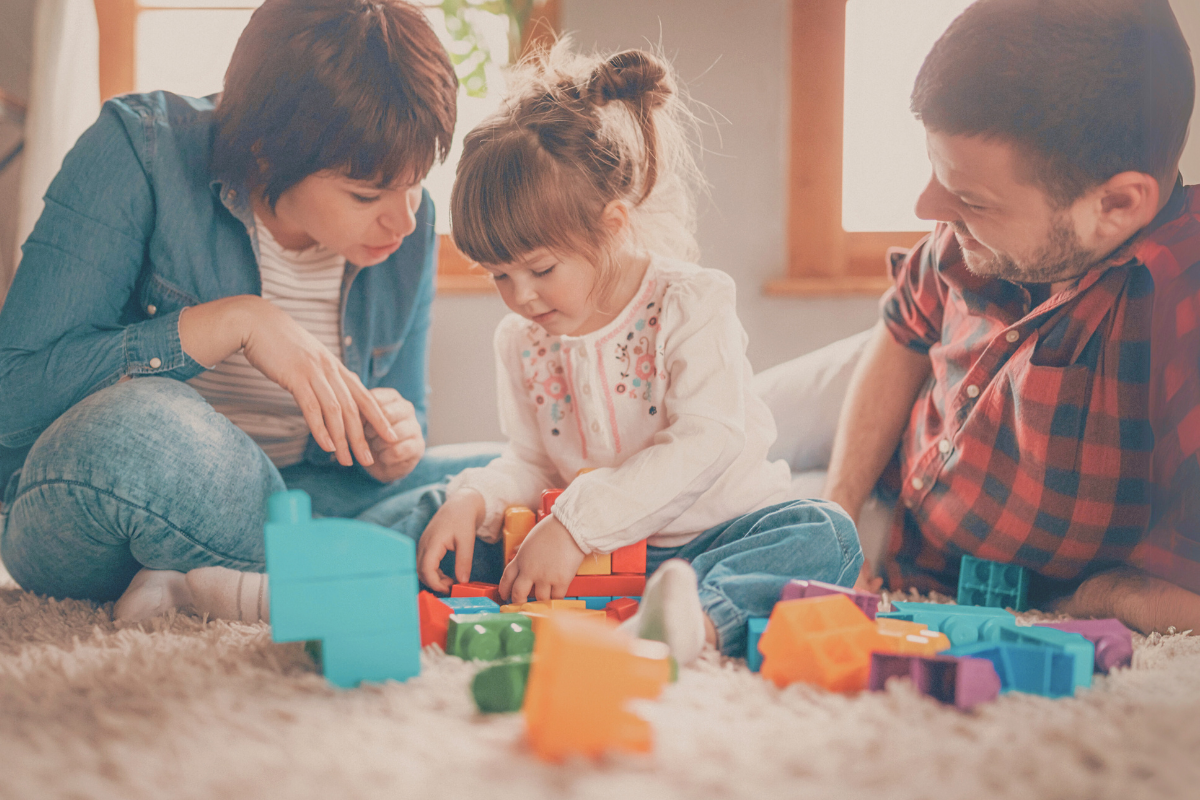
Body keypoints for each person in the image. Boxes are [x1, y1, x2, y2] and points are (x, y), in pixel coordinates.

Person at [0, 0, 498, 621]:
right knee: (147, 425)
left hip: (304, 495)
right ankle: (338, 567)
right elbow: (13, 397)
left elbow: (401, 422)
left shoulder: (406, 225)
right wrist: (236, 321)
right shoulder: (140, 149)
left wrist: (392, 443)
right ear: (265, 152)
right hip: (112, 495)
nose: (404, 218)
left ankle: (212, 582)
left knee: (502, 481)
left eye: (417, 181)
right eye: (366, 194)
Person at [414, 43, 863, 666]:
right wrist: (478, 499)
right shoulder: (520, 340)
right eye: (498, 276)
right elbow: (531, 461)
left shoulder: (691, 303)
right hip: (593, 555)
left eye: (540, 269)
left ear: (613, 225)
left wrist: (575, 526)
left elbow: (709, 440)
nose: (519, 297)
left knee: (826, 534)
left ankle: (692, 620)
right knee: (445, 516)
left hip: (714, 537)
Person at [821, 0, 1200, 633]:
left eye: (970, 198)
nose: (926, 207)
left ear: (1117, 204)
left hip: (974, 570)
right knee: (723, 440)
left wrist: (1097, 598)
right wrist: (837, 510)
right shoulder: (969, 232)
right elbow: (902, 334)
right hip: (894, 449)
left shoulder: (1173, 309)